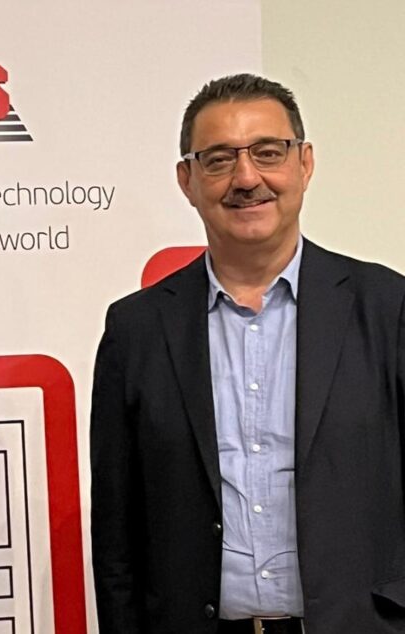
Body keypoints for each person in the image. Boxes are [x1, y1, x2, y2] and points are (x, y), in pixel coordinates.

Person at [90, 73, 405, 634]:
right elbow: (117, 533)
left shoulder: (388, 306)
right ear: (187, 181)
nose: (246, 178)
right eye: (218, 160)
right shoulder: (136, 329)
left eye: (268, 153)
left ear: (304, 164)